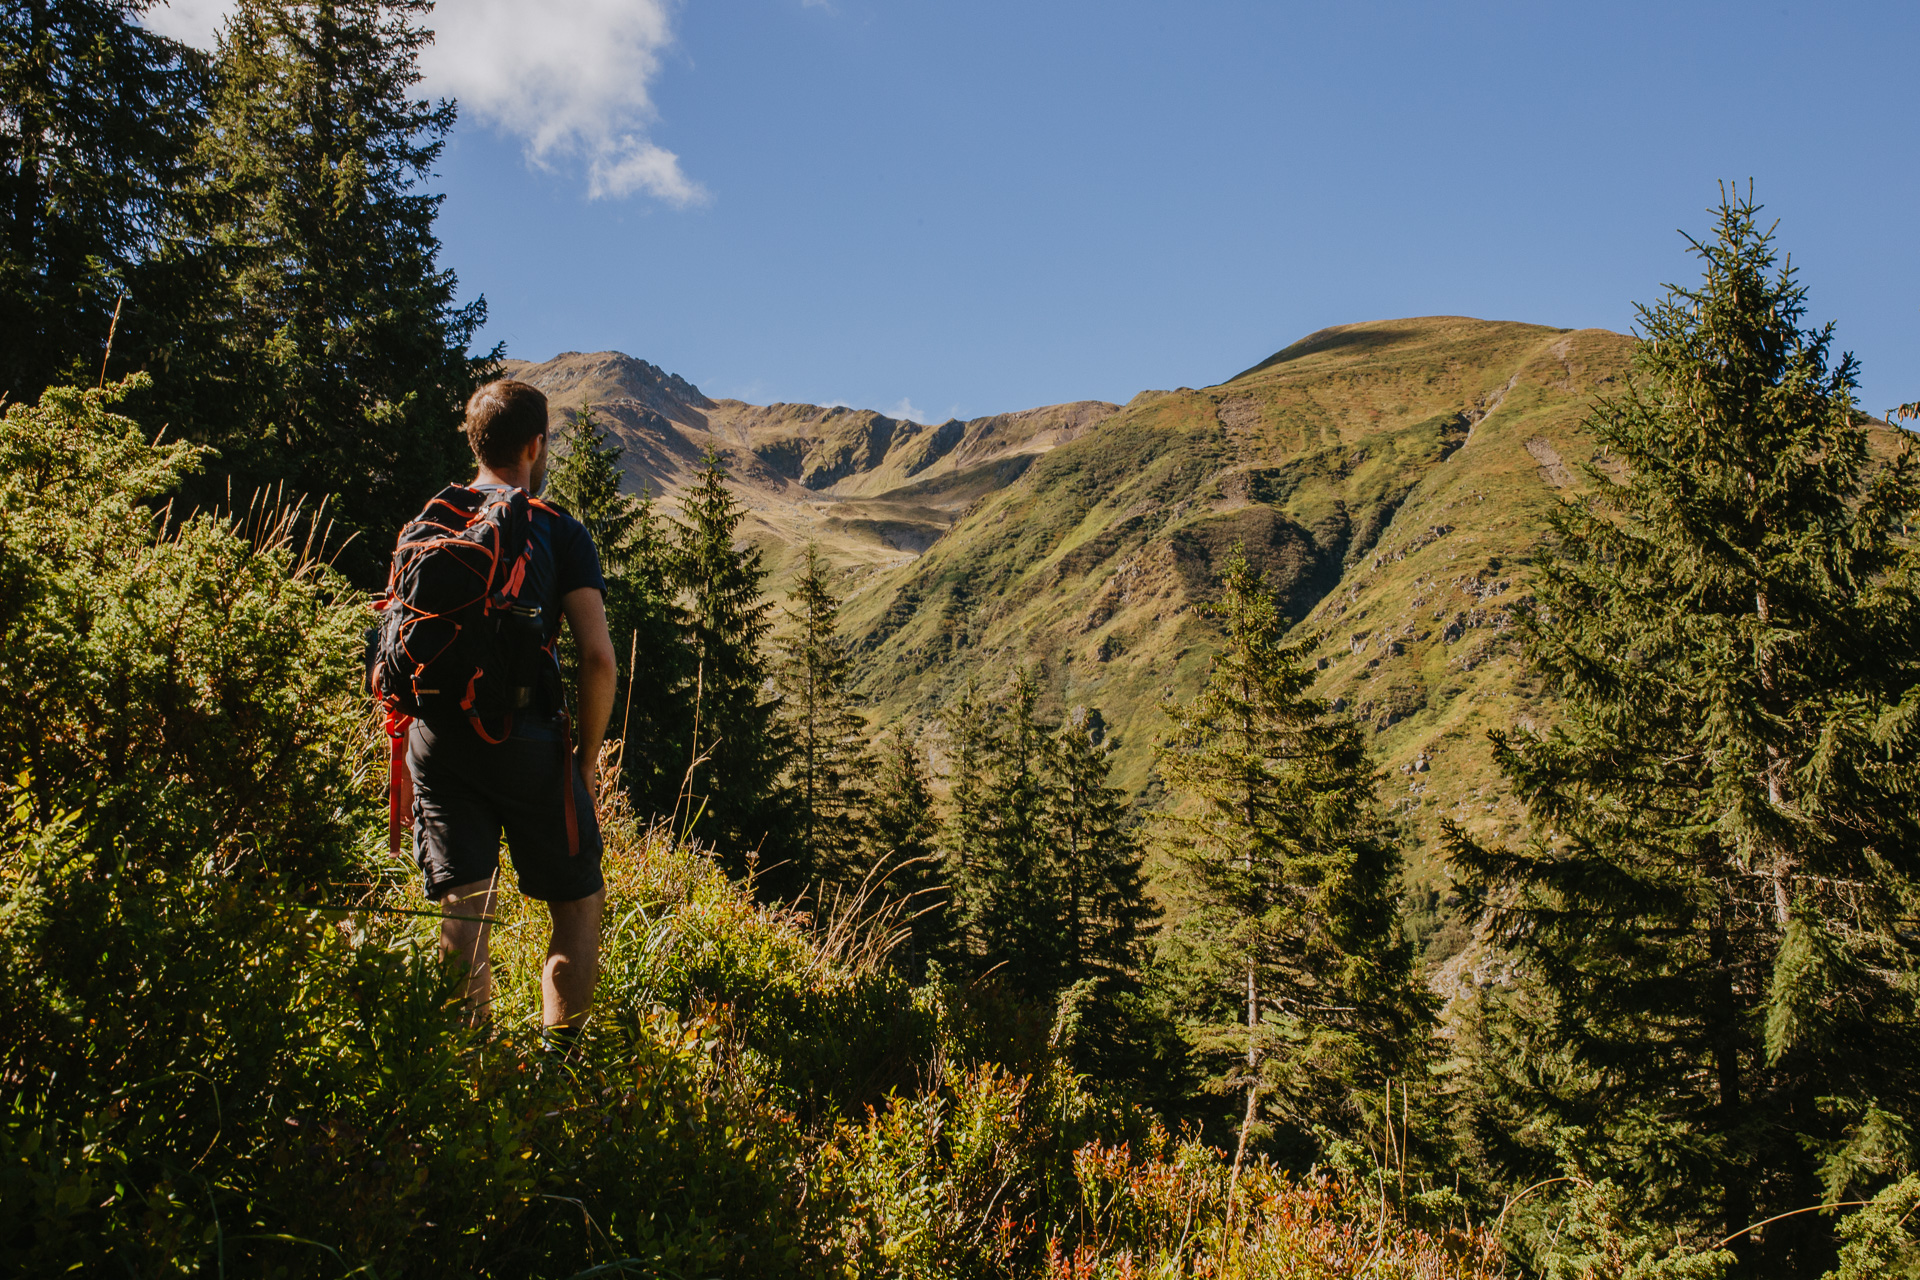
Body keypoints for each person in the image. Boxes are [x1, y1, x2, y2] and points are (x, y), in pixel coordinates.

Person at [407, 378, 618, 1050]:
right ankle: (564, 1068)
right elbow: (598, 660)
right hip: (526, 741)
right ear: (535, 445)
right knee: (577, 904)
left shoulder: (428, 524)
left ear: (475, 442)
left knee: (466, 907)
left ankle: (468, 1083)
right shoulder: (556, 530)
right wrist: (586, 763)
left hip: (436, 738)